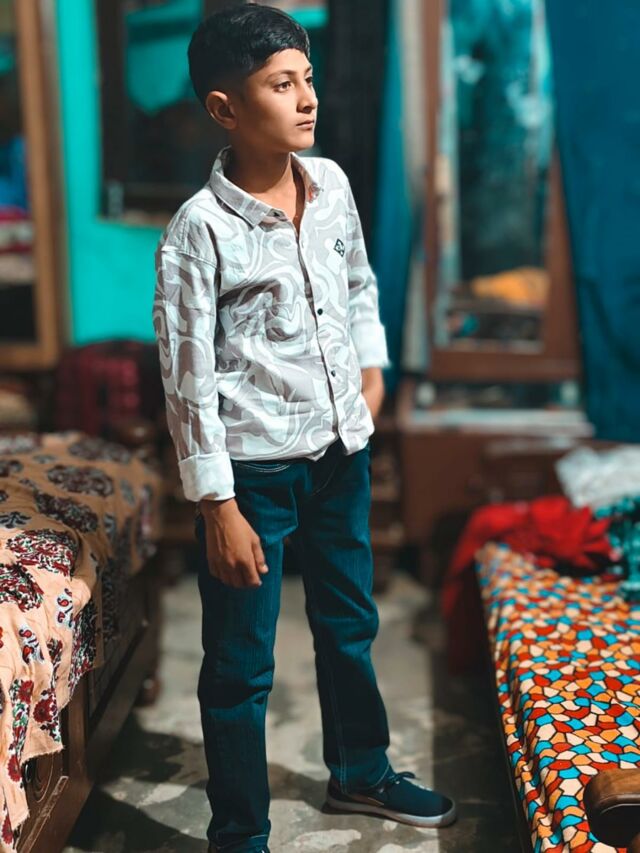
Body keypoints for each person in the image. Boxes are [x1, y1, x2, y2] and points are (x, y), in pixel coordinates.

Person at [152, 5, 456, 852]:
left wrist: (373, 371)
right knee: (240, 662)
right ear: (225, 108)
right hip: (253, 477)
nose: (307, 98)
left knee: (350, 625)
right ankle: (239, 831)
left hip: (339, 457)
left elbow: (358, 286)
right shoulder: (198, 232)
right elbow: (187, 377)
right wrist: (216, 505)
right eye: (282, 84)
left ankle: (361, 768)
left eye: (308, 78)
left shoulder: (332, 187)